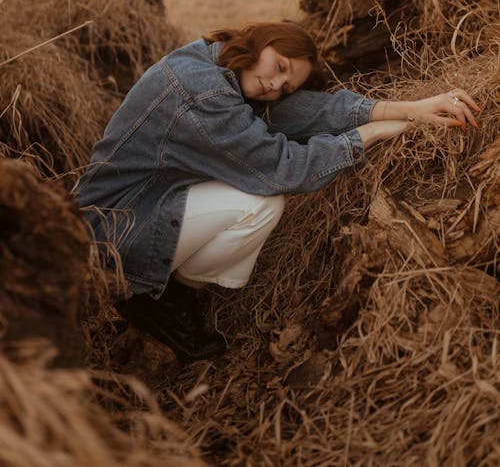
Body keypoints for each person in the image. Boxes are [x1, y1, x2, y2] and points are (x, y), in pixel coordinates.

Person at [75, 21, 480, 363]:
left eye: (286, 85)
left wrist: (410, 108)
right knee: (262, 201)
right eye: (280, 66)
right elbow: (284, 169)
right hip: (111, 229)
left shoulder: (217, 61)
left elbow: (312, 111)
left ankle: (168, 291)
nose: (276, 84)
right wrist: (368, 134)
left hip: (138, 207)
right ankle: (157, 297)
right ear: (262, 40)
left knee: (258, 190)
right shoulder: (203, 93)